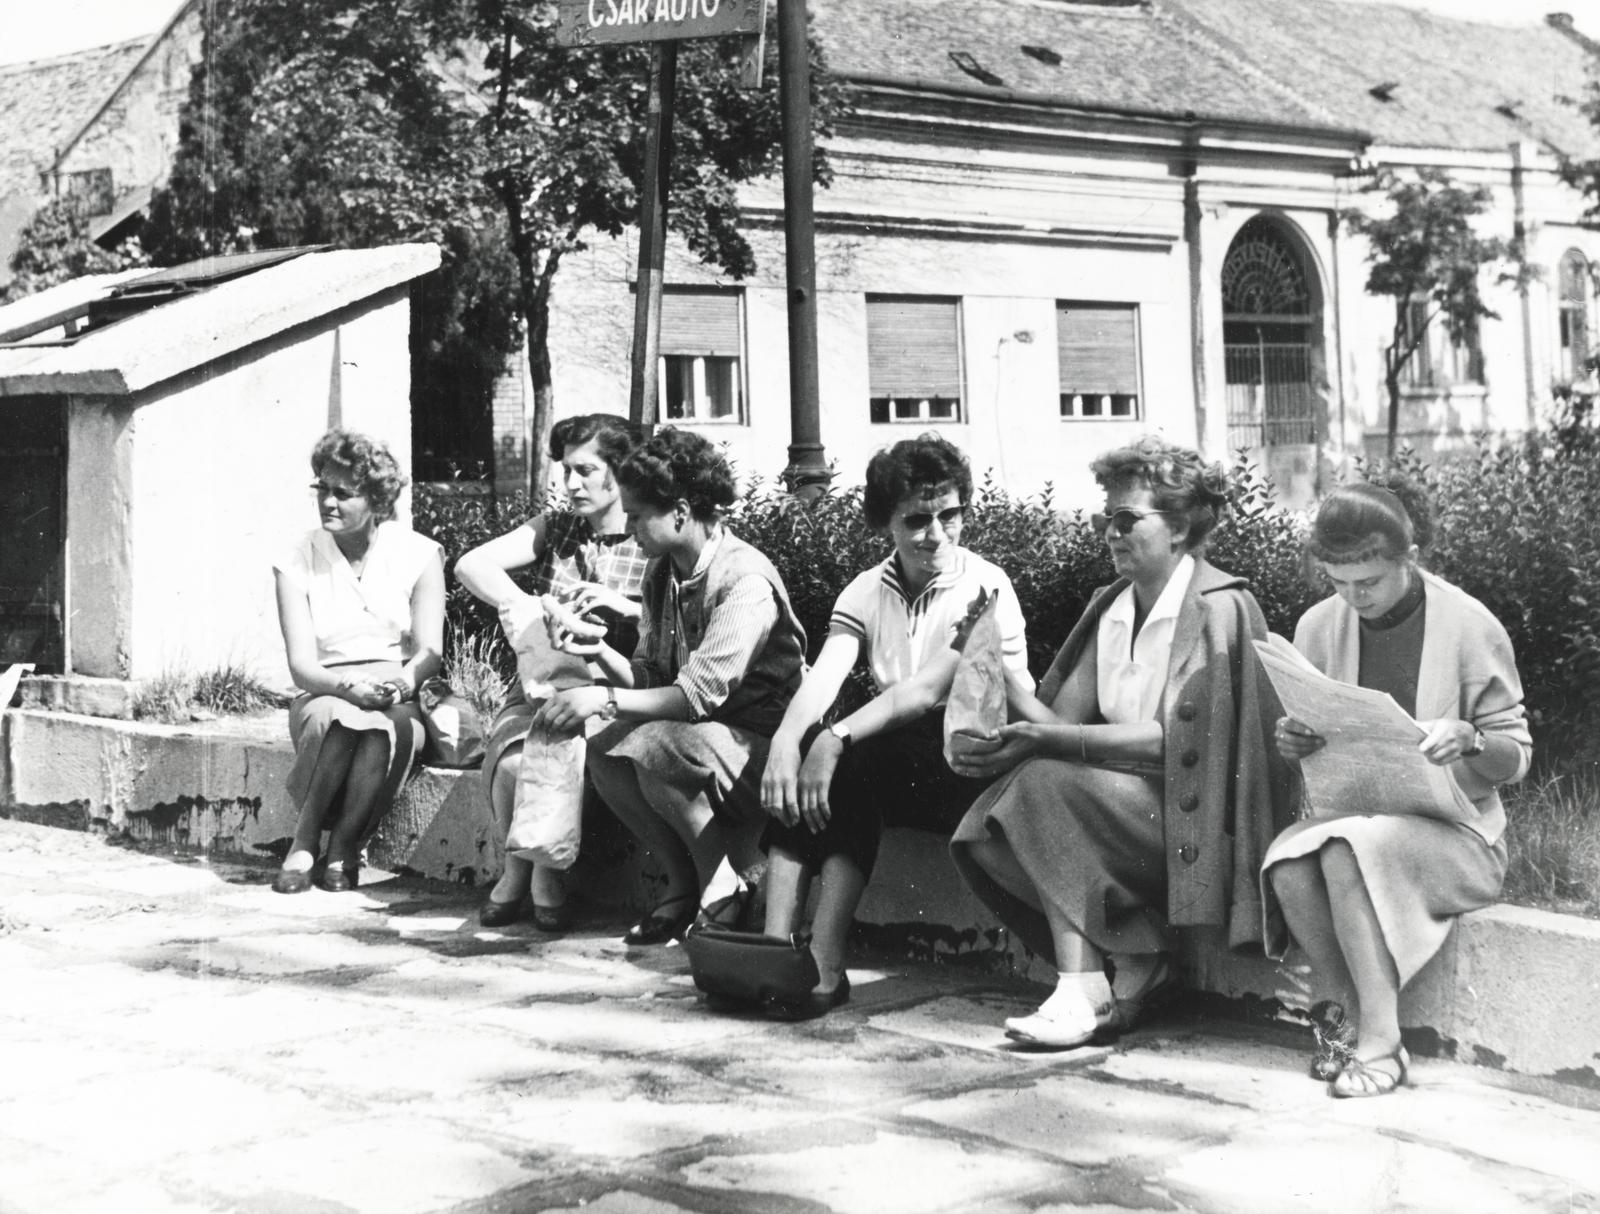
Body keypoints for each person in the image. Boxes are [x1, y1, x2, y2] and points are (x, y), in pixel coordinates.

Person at [949, 435, 1290, 1048]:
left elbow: (1177, 744)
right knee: (985, 835)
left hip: (1194, 820)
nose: (1109, 530)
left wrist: (1047, 743)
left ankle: (1081, 989)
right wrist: (988, 658)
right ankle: (1139, 959)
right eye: (1106, 517)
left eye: (1127, 518)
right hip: (1123, 811)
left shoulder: (1217, 608)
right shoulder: (1112, 605)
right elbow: (1058, 720)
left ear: (1181, 528)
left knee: (1041, 787)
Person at [1264, 481, 1531, 1098]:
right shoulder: (1319, 625)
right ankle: (1340, 1018)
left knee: (1340, 850)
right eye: (1338, 582)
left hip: (1460, 838)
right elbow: (1320, 726)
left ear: (1409, 556)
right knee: (1286, 864)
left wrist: (1468, 737)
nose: (1354, 598)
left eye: (1370, 582)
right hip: (1364, 819)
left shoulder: (1470, 625)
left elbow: (1515, 757)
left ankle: (1383, 1046)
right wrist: (1296, 741)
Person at [758, 435, 1033, 1017]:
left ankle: (826, 963)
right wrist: (788, 741)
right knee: (816, 758)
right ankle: (773, 950)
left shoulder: (986, 586)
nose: (935, 534)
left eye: (950, 515)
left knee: (851, 759)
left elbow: (925, 691)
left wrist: (833, 739)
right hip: (909, 756)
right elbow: (827, 674)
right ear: (885, 522)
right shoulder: (867, 588)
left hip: (983, 757)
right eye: (916, 519)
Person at [532, 428, 807, 945]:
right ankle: (681, 886)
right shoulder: (664, 573)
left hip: (766, 748)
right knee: (604, 744)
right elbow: (653, 679)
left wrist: (602, 696)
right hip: (708, 738)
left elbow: (695, 696)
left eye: (637, 516)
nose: (629, 526)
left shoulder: (745, 580)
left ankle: (721, 886)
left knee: (650, 743)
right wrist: (596, 654)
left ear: (680, 512)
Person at [454, 413, 649, 931]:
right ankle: (532, 876)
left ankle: (528, 878)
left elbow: (683, 619)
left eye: (586, 471)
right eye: (566, 471)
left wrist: (625, 608)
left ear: (621, 470)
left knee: (550, 751)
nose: (571, 484)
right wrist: (533, 607)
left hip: (613, 696)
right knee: (517, 760)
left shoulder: (649, 532)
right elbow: (471, 565)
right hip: (543, 686)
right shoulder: (559, 528)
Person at [271, 429, 445, 894]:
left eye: (342, 493)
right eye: (321, 488)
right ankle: (306, 839)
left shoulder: (419, 554)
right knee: (340, 718)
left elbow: (431, 651)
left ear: (376, 501)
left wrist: (402, 686)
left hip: (398, 687)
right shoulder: (296, 559)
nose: (327, 501)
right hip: (324, 688)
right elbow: (302, 665)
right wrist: (347, 687)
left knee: (382, 729)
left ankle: (345, 844)